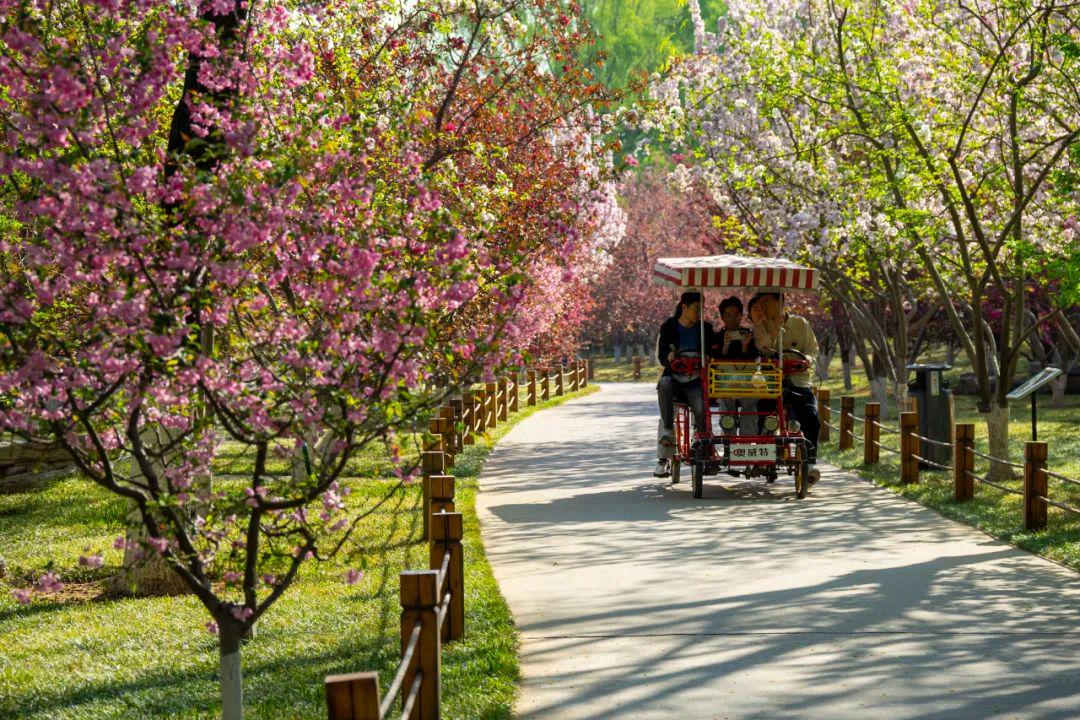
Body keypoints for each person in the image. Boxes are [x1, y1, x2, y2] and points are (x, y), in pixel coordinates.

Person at [751, 292, 822, 484]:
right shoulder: (760, 327)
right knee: (764, 414)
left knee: (811, 417)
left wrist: (807, 360)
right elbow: (764, 348)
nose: (763, 306)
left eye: (767, 302)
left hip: (799, 381)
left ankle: (810, 462)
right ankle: (763, 452)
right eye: (761, 303)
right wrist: (772, 327)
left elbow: (812, 349)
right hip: (772, 383)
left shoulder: (801, 324)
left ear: (780, 302)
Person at [654, 292, 714, 477]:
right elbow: (662, 355)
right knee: (664, 385)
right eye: (696, 309)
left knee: (700, 407)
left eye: (701, 309)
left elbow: (713, 349)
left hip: (696, 380)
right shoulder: (669, 327)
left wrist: (709, 357)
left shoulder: (705, 329)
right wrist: (668, 358)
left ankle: (704, 449)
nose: (699, 313)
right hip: (674, 377)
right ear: (684, 307)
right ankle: (666, 445)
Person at [714, 296, 758, 436]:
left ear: (741, 316)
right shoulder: (716, 337)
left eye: (736, 315)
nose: (733, 319)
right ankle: (729, 440)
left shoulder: (749, 336)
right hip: (725, 384)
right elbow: (715, 359)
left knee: (750, 403)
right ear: (722, 318)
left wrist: (745, 346)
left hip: (746, 383)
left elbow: (754, 357)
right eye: (728, 316)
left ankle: (747, 440)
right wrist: (725, 347)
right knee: (726, 403)